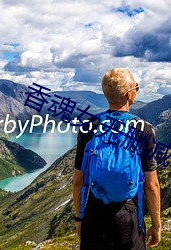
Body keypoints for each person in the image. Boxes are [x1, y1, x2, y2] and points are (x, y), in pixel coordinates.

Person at [73, 68, 161, 250]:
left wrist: (79, 218)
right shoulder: (143, 129)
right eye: (137, 87)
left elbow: (78, 181)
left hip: (95, 212)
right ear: (129, 94)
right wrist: (156, 226)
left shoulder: (89, 127)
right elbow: (151, 185)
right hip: (128, 214)